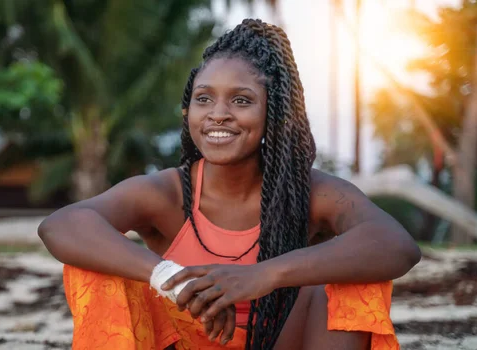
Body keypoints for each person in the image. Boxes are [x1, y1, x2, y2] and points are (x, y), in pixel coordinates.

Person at [38, 19, 421, 350]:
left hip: (283, 340)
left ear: (274, 112)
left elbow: (396, 246)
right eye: (204, 99)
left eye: (241, 100)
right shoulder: (167, 193)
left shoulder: (312, 193)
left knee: (353, 279)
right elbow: (62, 226)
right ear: (188, 110)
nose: (218, 115)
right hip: (184, 340)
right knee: (95, 267)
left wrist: (262, 276)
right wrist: (170, 279)